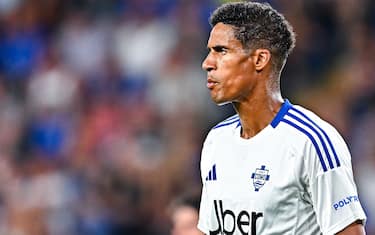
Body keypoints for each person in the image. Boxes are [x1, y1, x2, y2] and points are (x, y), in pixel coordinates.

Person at [198, 2, 366, 235]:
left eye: (221, 51)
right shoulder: (216, 141)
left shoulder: (311, 141)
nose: (207, 63)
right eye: (210, 51)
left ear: (259, 60)